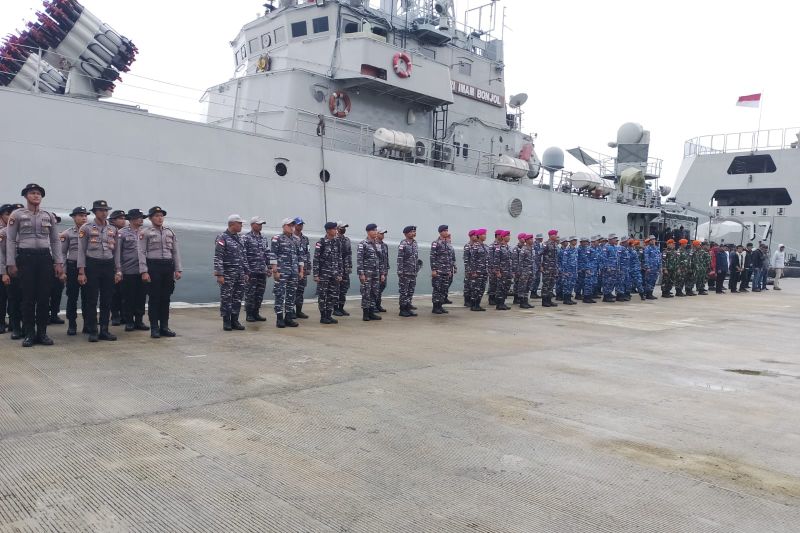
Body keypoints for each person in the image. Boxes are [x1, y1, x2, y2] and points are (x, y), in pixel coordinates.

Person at [5, 185, 64, 347]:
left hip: (45, 258)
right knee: (28, 298)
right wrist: (11, 263)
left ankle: (42, 333)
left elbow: (55, 240)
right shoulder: (17, 215)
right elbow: (10, 240)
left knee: (44, 297)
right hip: (25, 258)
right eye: (32, 193)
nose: (36, 196)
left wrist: (58, 262)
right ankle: (29, 333)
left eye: (38, 194)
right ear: (25, 196)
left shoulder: (48, 216)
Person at [77, 200, 121, 343]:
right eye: (101, 210)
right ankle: (93, 331)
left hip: (108, 265)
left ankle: (104, 330)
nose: (104, 212)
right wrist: (81, 272)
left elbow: (116, 252)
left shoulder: (113, 229)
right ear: (95, 212)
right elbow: (81, 251)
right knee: (91, 299)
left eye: (105, 210)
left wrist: (118, 270)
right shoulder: (86, 228)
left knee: (107, 299)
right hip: (92, 264)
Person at [138, 206, 182, 338]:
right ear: (151, 218)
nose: (159, 218)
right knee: (154, 298)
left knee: (166, 298)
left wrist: (178, 269)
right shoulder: (145, 233)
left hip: (167, 267)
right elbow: (141, 252)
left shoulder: (170, 232)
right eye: (156, 216)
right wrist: (144, 271)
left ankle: (164, 326)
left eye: (161, 216)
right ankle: (154, 327)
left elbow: (175, 252)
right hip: (153, 267)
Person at [214, 214, 249, 331]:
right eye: (240, 223)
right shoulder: (222, 238)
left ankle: (235, 320)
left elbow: (244, 256)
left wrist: (246, 272)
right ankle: (226, 321)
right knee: (226, 297)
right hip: (228, 274)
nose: (241, 226)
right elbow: (218, 257)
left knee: (237, 297)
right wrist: (219, 274)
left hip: (239, 273)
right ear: (232, 224)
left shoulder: (240, 238)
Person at [118, 209, 149, 332]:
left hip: (142, 271)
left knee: (141, 297)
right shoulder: (122, 233)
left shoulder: (146, 232)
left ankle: (139, 321)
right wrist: (119, 269)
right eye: (138, 217)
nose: (141, 219)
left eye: (142, 217)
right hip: (128, 270)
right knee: (128, 297)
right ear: (130, 219)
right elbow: (118, 253)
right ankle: (129, 321)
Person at [272, 218, 303, 328]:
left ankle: (289, 317)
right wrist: (275, 271)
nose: (292, 227)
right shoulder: (277, 238)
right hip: (282, 271)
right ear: (284, 226)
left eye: (293, 225)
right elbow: (273, 255)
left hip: (294, 271)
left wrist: (301, 270)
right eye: (289, 225)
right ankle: (279, 318)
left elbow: (300, 256)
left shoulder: (296, 239)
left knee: (291, 294)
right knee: (279, 294)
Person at [313, 222, 343, 324]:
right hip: (323, 274)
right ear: (328, 230)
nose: (336, 231)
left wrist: (340, 273)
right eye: (334, 229)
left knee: (333, 295)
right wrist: (316, 274)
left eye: (336, 229)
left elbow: (339, 259)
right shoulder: (321, 242)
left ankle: (329, 315)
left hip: (334, 275)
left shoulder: (337, 242)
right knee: (323, 296)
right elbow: (316, 259)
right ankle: (323, 316)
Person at [242, 216, 271, 322]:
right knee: (250, 293)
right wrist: (246, 270)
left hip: (262, 271)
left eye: (261, 224)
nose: (260, 226)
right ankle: (249, 314)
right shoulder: (246, 238)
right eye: (258, 224)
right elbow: (243, 255)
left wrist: (269, 267)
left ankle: (256, 313)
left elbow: (267, 253)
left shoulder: (263, 238)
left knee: (259, 293)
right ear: (252, 225)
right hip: (251, 271)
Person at [358, 223, 383, 321]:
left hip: (376, 273)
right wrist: (361, 273)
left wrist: (382, 273)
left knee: (374, 292)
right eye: (374, 230)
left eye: (376, 230)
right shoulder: (363, 244)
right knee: (366, 293)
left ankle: (372, 312)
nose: (376, 232)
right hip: (367, 274)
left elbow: (380, 259)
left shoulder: (377, 244)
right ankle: (366, 313)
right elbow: (360, 260)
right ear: (368, 231)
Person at [108, 209, 127, 326]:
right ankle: (115, 315)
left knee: (124, 292)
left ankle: (124, 315)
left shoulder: (127, 232)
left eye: (124, 218)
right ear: (113, 220)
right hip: (112, 267)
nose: (123, 220)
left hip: (126, 267)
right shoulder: (109, 231)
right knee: (113, 293)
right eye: (120, 218)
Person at [431, 224, 455, 314]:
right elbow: (433, 257)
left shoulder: (447, 244)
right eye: (444, 231)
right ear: (440, 232)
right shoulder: (436, 243)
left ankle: (440, 306)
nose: (446, 232)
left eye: (447, 230)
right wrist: (434, 269)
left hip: (446, 271)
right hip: (438, 271)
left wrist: (449, 270)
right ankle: (435, 307)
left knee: (444, 289)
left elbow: (449, 258)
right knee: (437, 289)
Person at [47, 214, 66, 325]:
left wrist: (63, 269)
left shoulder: (60, 236)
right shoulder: (42, 236)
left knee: (57, 292)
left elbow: (64, 253)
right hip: (46, 268)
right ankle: (45, 315)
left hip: (59, 268)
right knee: (45, 294)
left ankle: (54, 315)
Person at [397, 225, 420, 317]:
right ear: (406, 234)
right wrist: (400, 271)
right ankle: (402, 310)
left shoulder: (415, 243)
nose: (413, 233)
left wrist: (416, 269)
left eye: (414, 232)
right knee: (404, 292)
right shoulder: (403, 244)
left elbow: (416, 257)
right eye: (411, 232)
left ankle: (408, 308)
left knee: (410, 291)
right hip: (405, 272)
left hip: (413, 272)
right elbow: (400, 259)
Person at [466, 228, 489, 311]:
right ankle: (473, 305)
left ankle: (478, 304)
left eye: (485, 234)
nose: (485, 236)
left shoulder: (486, 246)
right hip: (477, 272)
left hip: (484, 271)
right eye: (483, 234)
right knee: (475, 288)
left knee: (482, 289)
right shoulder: (475, 246)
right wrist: (473, 271)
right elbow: (472, 260)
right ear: (479, 236)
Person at [292, 217, 311, 319]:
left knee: (300, 290)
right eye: (299, 224)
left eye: (302, 224)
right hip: (293, 269)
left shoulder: (305, 239)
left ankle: (299, 311)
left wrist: (308, 267)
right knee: (292, 290)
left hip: (303, 269)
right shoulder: (291, 238)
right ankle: (291, 311)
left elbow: (307, 254)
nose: (300, 226)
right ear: (294, 225)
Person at [333, 222, 352, 317]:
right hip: (336, 268)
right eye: (342, 227)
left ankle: (341, 307)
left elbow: (349, 253)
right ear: (337, 228)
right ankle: (335, 308)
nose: (344, 229)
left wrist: (350, 266)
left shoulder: (347, 240)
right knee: (336, 289)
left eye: (345, 227)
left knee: (344, 288)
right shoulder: (334, 239)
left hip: (345, 268)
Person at [491, 230, 513, 310]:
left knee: (506, 287)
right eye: (507, 235)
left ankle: (503, 302)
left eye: (509, 235)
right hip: (502, 271)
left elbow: (511, 260)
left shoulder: (509, 248)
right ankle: (499, 304)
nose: (509, 237)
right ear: (503, 237)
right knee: (501, 287)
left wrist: (512, 271)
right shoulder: (499, 248)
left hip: (508, 271)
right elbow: (496, 260)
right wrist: (497, 271)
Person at [512, 233, 534, 308]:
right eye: (530, 239)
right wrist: (519, 272)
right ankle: (522, 302)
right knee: (522, 287)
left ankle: (526, 301)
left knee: (527, 287)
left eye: (532, 239)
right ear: (527, 240)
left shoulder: (531, 249)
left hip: (530, 271)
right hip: (524, 272)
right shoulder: (523, 250)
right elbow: (520, 262)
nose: (532, 240)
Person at [540, 230, 559, 307]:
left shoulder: (555, 244)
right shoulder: (546, 244)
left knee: (551, 284)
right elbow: (539, 255)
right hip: (547, 268)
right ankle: (544, 301)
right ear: (551, 235)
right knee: (546, 284)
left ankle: (549, 300)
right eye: (555, 234)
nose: (556, 236)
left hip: (554, 268)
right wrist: (540, 266)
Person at [559, 236, 578, 305]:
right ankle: (566, 299)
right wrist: (565, 272)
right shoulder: (567, 250)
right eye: (574, 240)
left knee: (571, 285)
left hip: (574, 271)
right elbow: (564, 262)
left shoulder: (575, 250)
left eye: (576, 240)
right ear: (571, 241)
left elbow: (576, 261)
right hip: (568, 271)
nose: (575, 242)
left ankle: (569, 298)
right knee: (567, 285)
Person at [376, 227, 389, 312]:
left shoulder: (384, 245)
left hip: (384, 270)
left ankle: (378, 305)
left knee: (382, 287)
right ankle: (373, 306)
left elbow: (386, 258)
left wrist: (387, 268)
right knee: (375, 288)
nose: (383, 235)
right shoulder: (374, 244)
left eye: (383, 234)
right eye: (381, 233)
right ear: (377, 234)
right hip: (376, 271)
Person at [463, 230, 477, 306]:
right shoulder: (467, 246)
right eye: (475, 235)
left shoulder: (477, 246)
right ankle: (467, 301)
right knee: (468, 285)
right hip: (469, 270)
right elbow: (466, 259)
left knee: (474, 286)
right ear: (471, 236)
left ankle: (472, 300)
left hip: (476, 270)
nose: (476, 237)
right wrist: (468, 270)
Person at [530, 233, 544, 299]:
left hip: (538, 264)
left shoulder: (539, 244)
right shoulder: (535, 245)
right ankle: (533, 293)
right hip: (535, 264)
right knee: (535, 279)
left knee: (537, 279)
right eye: (541, 238)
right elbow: (536, 256)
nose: (542, 239)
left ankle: (534, 292)